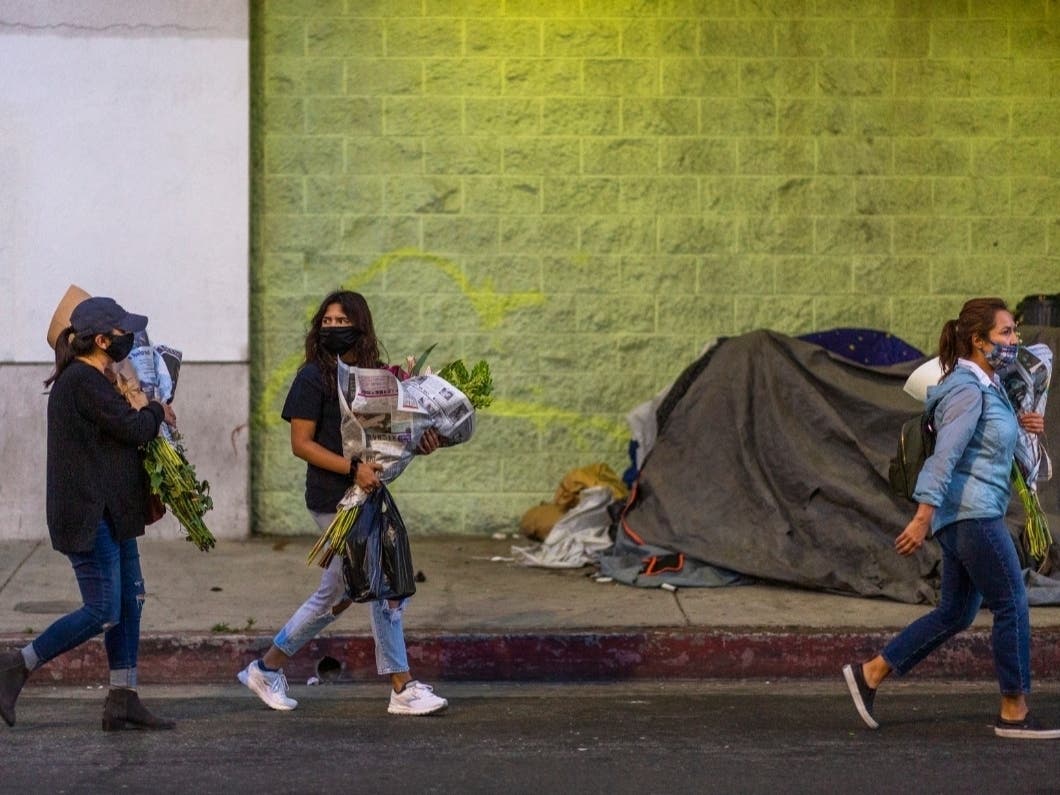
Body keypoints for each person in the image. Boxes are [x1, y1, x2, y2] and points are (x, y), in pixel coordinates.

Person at [842, 297, 1058, 740]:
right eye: (1005, 334)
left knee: (957, 612)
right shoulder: (965, 387)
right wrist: (922, 517)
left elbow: (995, 446)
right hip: (972, 514)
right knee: (1012, 604)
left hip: (967, 514)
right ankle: (1014, 711)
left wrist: (1027, 427)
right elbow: (946, 456)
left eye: (1014, 332)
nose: (1014, 341)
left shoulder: (992, 386)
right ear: (978, 341)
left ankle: (871, 674)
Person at [238, 290, 448, 716]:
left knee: (337, 591)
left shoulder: (372, 377)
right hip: (333, 499)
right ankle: (401, 686)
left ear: (361, 326)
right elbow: (302, 445)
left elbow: (387, 438)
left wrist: (422, 441)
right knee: (383, 586)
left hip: (367, 494)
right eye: (327, 321)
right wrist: (353, 469)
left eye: (342, 321)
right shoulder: (312, 378)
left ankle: (267, 667)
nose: (333, 327)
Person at [0, 296, 178, 730]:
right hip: (88, 514)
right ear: (101, 340)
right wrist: (155, 408)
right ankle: (15, 666)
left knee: (129, 600)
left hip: (114, 510)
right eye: (122, 334)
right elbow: (134, 428)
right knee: (102, 609)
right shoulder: (83, 382)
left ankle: (123, 696)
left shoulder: (100, 379)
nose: (129, 341)